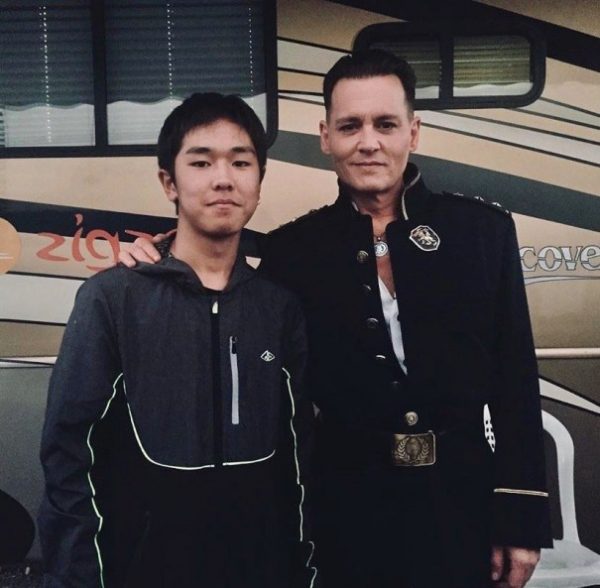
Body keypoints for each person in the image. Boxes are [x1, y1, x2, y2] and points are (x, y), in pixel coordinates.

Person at [120, 51, 551, 588]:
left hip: (463, 509)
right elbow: (225, 290)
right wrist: (158, 258)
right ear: (326, 137)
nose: (368, 142)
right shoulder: (294, 251)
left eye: (385, 124)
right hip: (346, 516)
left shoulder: (482, 233)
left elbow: (516, 382)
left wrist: (521, 518)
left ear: (413, 132)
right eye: (350, 126)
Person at [38, 93, 318, 588]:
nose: (222, 179)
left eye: (240, 162)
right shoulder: (112, 300)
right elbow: (69, 456)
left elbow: (299, 461)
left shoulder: (279, 309)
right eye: (201, 162)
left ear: (259, 180)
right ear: (169, 181)